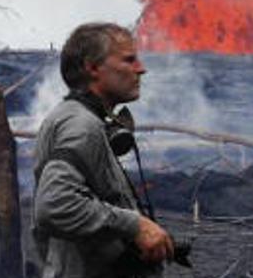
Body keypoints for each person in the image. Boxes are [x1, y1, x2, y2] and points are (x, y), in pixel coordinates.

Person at [32, 22, 174, 277]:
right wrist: (135, 225)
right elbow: (54, 205)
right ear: (93, 67)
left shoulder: (80, 118)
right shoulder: (81, 125)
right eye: (129, 60)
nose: (141, 69)